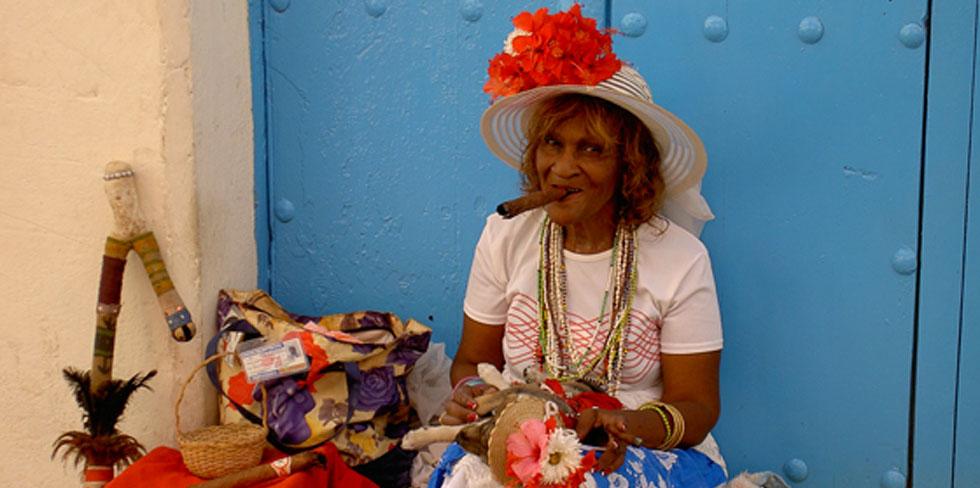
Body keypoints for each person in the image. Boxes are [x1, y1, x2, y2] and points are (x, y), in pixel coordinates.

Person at [430, 5, 726, 487]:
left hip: (635, 449)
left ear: (628, 165)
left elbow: (698, 407)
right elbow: (470, 361)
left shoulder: (680, 259)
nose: (562, 168)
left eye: (590, 149)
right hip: (520, 437)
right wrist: (474, 394)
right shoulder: (505, 235)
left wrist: (628, 425)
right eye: (552, 144)